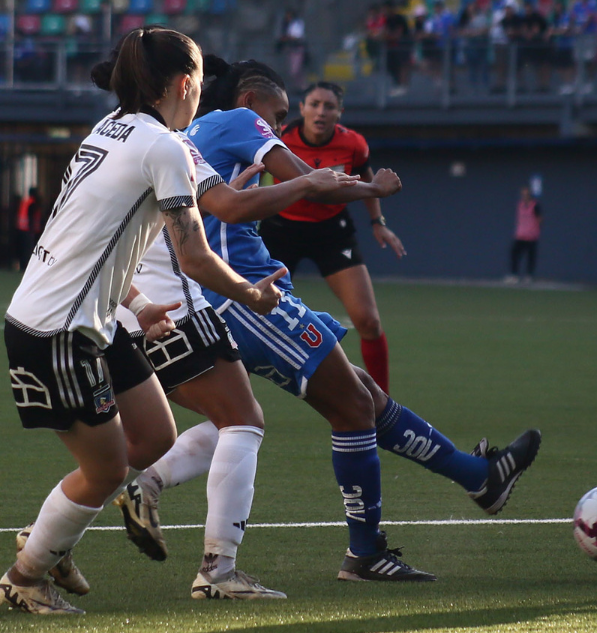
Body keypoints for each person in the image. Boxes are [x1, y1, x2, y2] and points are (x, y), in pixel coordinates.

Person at [129, 55, 541, 584]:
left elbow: (232, 205)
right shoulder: (238, 120)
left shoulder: (193, 134)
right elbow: (309, 181)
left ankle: (477, 477)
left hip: (216, 300)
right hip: (249, 298)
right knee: (347, 407)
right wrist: (375, 190)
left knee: (356, 393)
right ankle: (362, 553)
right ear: (252, 101)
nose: (279, 129)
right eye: (278, 116)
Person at [0, 26, 284, 615]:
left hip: (94, 318)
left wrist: (134, 302)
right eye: (202, 85)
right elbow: (197, 257)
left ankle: (51, 539)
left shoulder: (109, 128)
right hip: (57, 330)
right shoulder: (164, 147)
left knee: (154, 437)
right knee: (104, 470)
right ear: (185, 83)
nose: (201, 96)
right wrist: (252, 295)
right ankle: (25, 577)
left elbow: (84, 235)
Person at [259, 82, 404, 394]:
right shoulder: (278, 138)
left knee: (368, 322)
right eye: (314, 104)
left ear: (340, 112)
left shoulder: (354, 144)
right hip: (281, 229)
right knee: (250, 313)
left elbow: (367, 180)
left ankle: (382, 406)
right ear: (302, 108)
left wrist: (377, 222)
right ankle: (229, 402)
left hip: (332, 231)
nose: (320, 112)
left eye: (328, 106)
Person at [506, 185, 542, 283]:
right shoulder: (520, 205)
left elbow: (540, 219)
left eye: (526, 194)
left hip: (531, 236)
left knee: (531, 257)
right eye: (523, 194)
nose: (524, 196)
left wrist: (534, 229)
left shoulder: (535, 205)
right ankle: (514, 275)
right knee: (514, 255)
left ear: (530, 195)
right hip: (520, 235)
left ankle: (528, 276)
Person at [12, 187, 41, 271]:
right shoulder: (32, 203)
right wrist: (32, 231)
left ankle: (22, 265)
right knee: (28, 250)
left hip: (20, 229)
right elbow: (30, 217)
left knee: (22, 249)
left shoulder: (25, 202)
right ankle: (26, 266)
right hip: (28, 230)